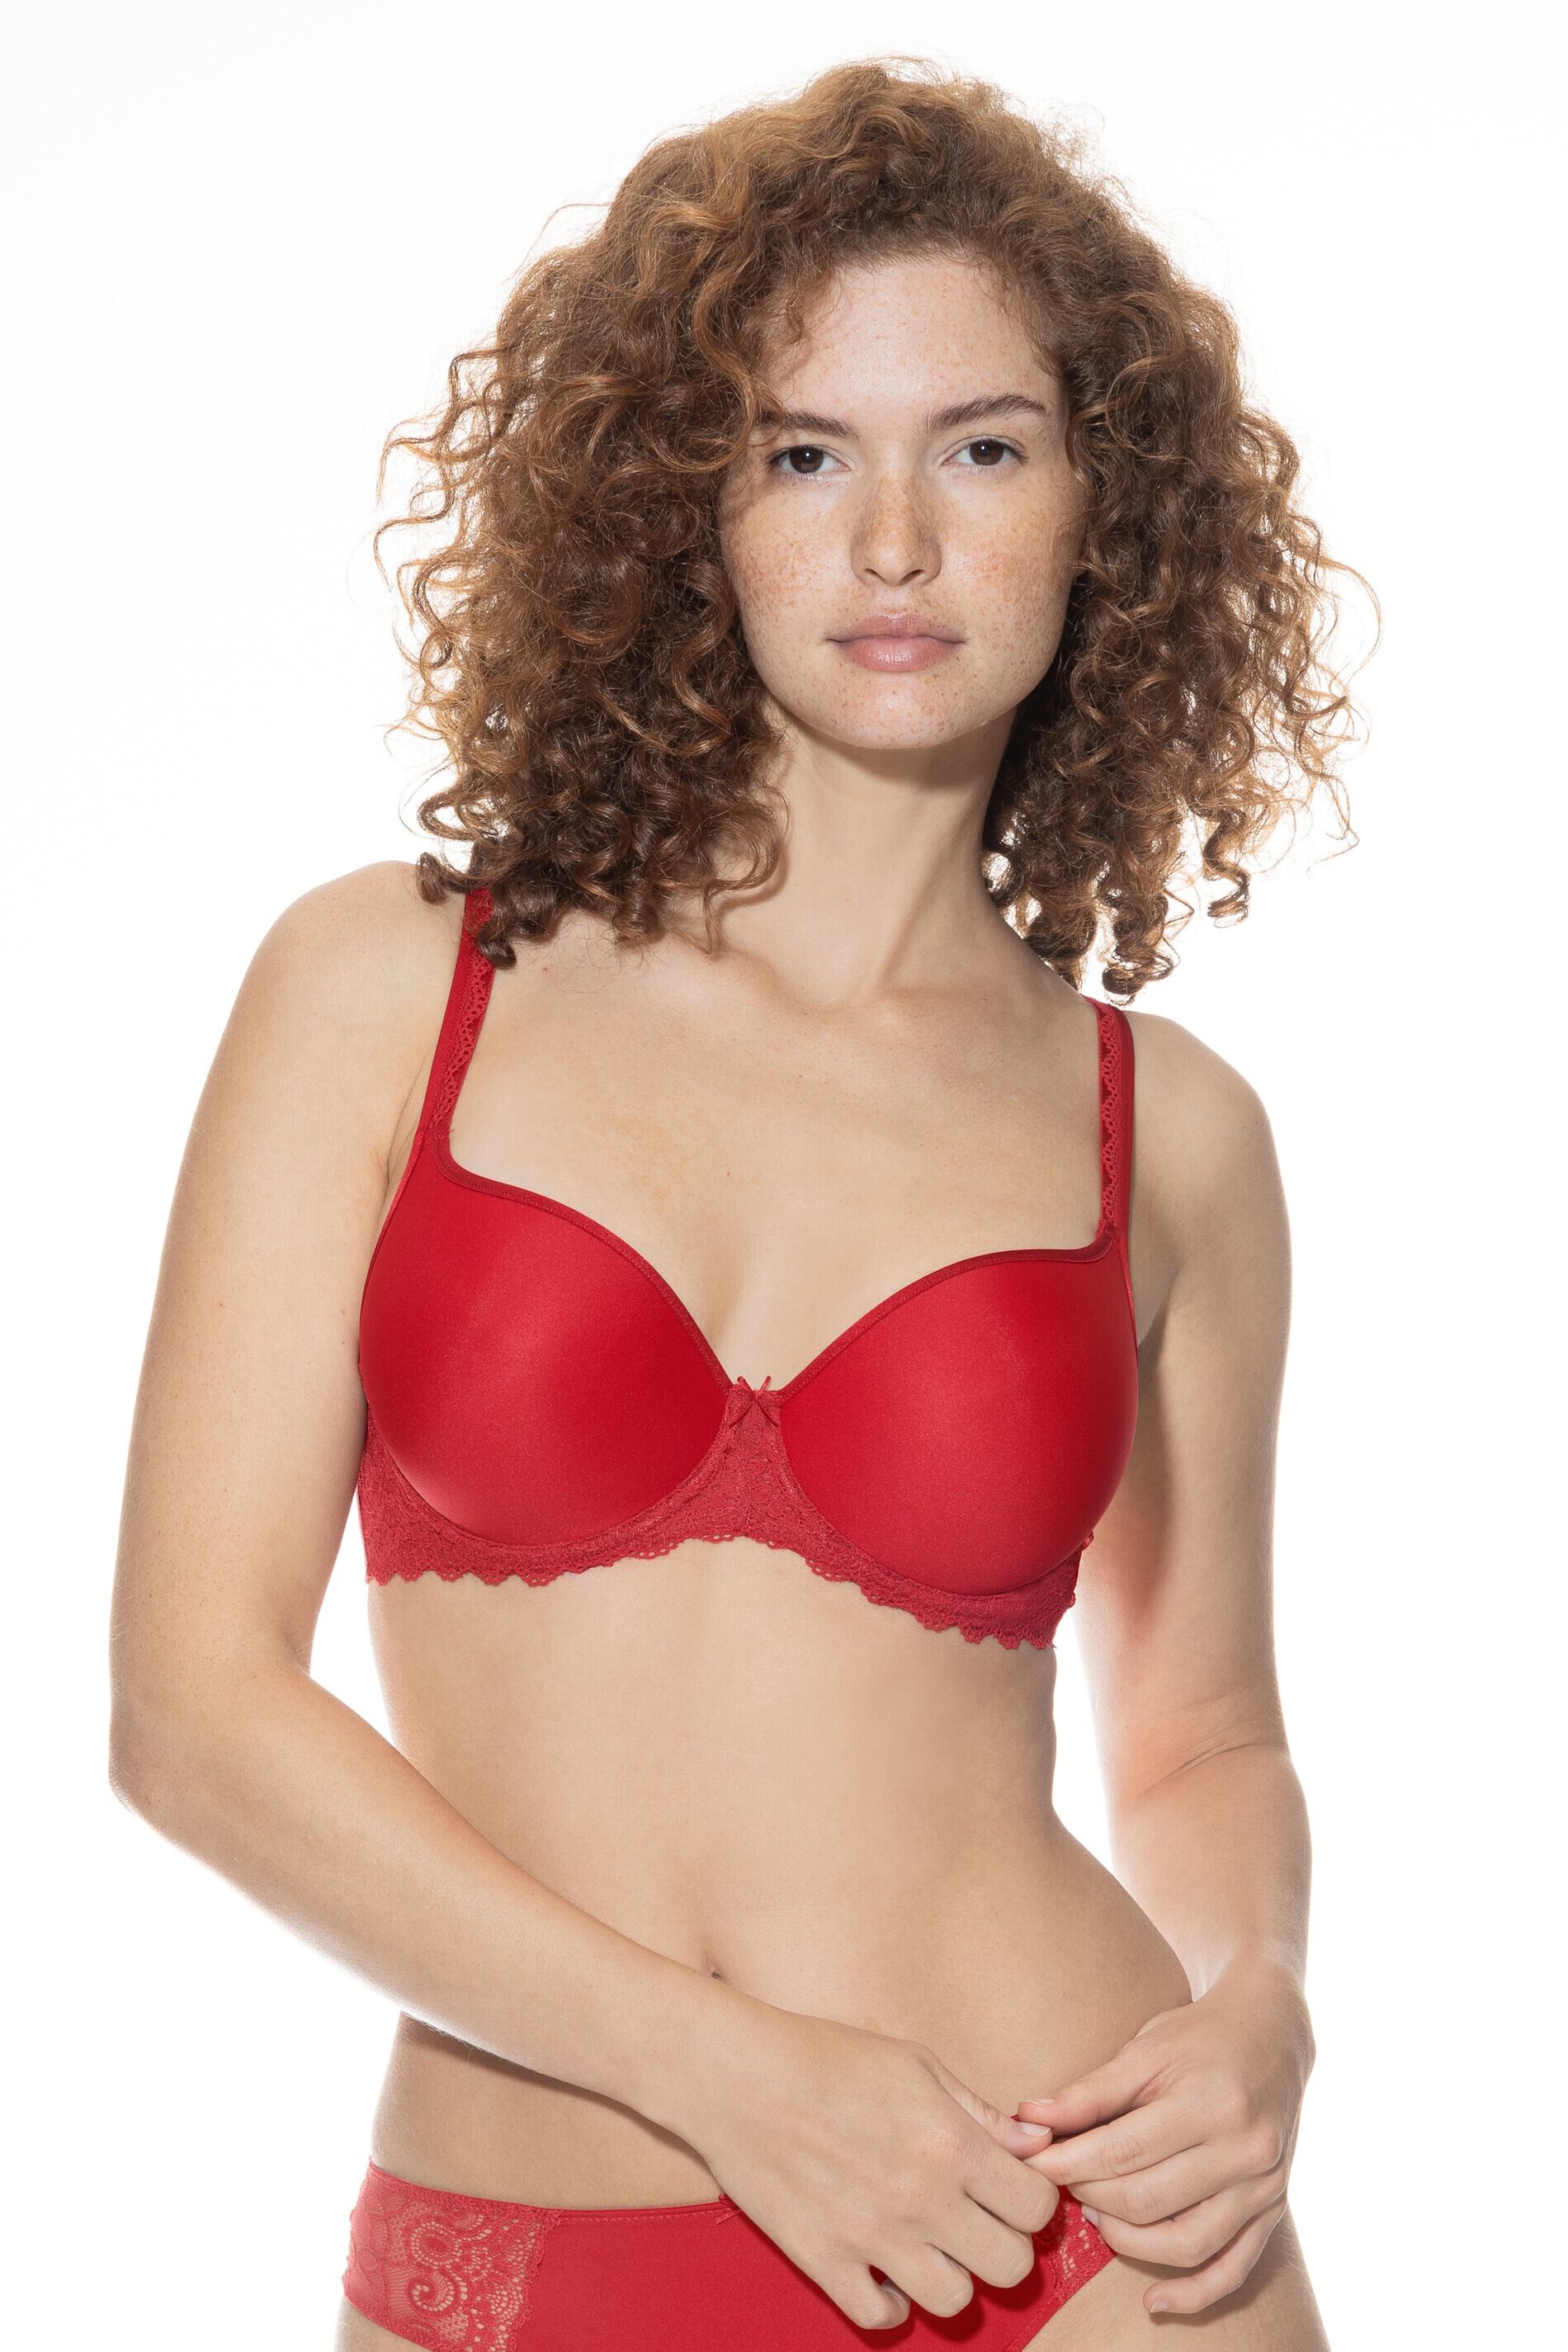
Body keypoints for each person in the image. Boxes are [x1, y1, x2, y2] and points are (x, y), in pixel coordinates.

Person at [108, 57, 1369, 2350]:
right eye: (802, 454)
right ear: (680, 505)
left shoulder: (1170, 1133)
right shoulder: (394, 990)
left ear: (1107, 511)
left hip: (1078, 2248)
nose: (893, 543)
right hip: (529, 2243)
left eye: (982, 448)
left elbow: (1198, 1735)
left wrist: (1262, 2000)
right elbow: (191, 1712)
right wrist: (732, 2077)